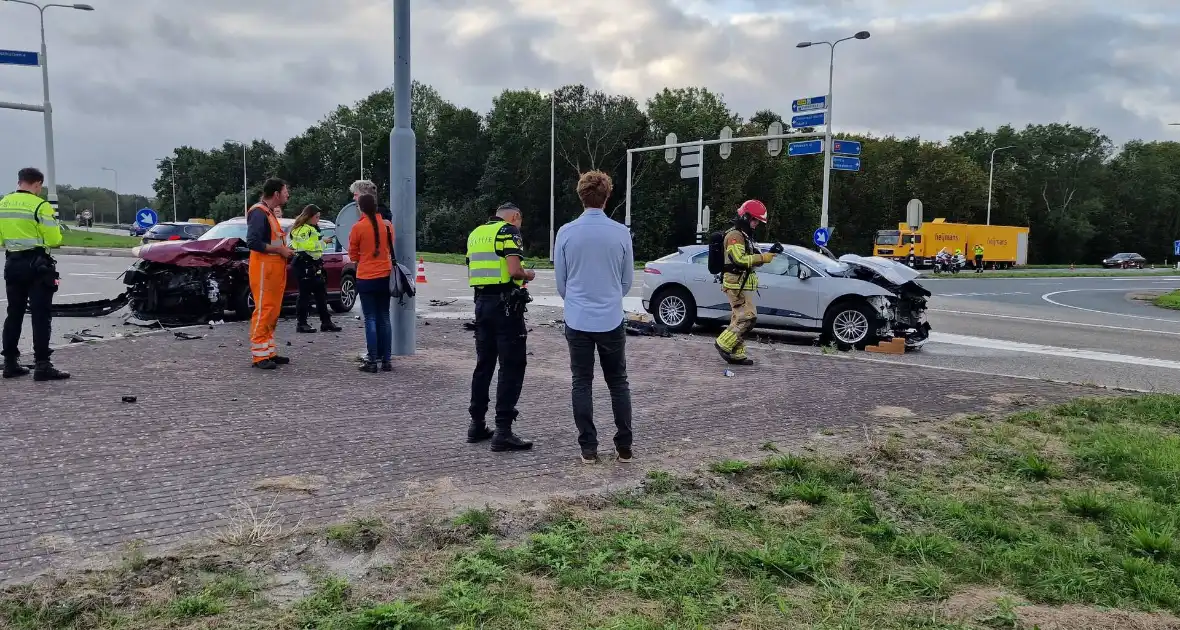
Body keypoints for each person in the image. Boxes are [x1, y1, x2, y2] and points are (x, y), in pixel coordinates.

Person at [554, 171, 635, 464]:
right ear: (607, 196)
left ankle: (588, 448)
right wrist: (610, 297)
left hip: (577, 318)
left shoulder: (566, 232)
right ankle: (624, 446)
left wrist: (576, 301)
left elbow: (561, 284)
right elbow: (627, 281)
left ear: (580, 195)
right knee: (618, 382)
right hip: (611, 318)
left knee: (581, 382)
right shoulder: (620, 233)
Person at [465, 202, 535, 452]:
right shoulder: (508, 232)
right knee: (512, 365)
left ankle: (476, 424)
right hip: (506, 305)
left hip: (481, 303)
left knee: (484, 365)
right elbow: (514, 270)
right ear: (515, 217)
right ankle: (503, 430)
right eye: (520, 222)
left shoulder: (475, 234)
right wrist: (529, 275)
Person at [0, 167, 69, 381]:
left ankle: (10, 363)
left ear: (20, 181)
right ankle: (42, 365)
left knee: (14, 313)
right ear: (37, 184)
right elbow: (55, 240)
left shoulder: (3, 203)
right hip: (37, 265)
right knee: (40, 315)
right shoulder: (41, 205)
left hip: (13, 263)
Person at [715, 199, 778, 366]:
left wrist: (765, 256)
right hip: (735, 284)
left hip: (741, 284)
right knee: (747, 318)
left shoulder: (745, 236)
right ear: (746, 217)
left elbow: (750, 260)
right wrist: (762, 257)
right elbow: (739, 260)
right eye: (755, 220)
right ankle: (723, 343)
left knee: (739, 319)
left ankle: (737, 353)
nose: (756, 224)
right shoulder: (735, 236)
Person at [246, 177, 294, 370]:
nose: (287, 194)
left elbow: (271, 240)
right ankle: (259, 356)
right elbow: (253, 242)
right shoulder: (259, 213)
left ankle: (269, 352)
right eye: (285, 191)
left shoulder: (268, 213)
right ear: (276, 194)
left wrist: (284, 249)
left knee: (272, 311)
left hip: (273, 269)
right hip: (264, 269)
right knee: (264, 310)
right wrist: (280, 250)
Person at [347, 193, 394, 373]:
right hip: (385, 275)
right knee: (384, 317)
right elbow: (389, 247)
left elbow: (353, 255)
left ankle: (372, 360)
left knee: (371, 319)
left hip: (366, 277)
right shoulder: (388, 226)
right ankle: (387, 360)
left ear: (360, 208)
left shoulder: (358, 227)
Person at [289, 204, 342, 334]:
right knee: (304, 295)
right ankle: (302, 323)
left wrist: (322, 240)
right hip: (304, 264)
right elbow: (305, 245)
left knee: (321, 295)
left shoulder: (312, 228)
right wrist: (323, 242)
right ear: (309, 216)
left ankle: (326, 322)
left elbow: (312, 243)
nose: (318, 219)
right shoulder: (303, 229)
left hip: (314, 264)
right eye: (316, 217)